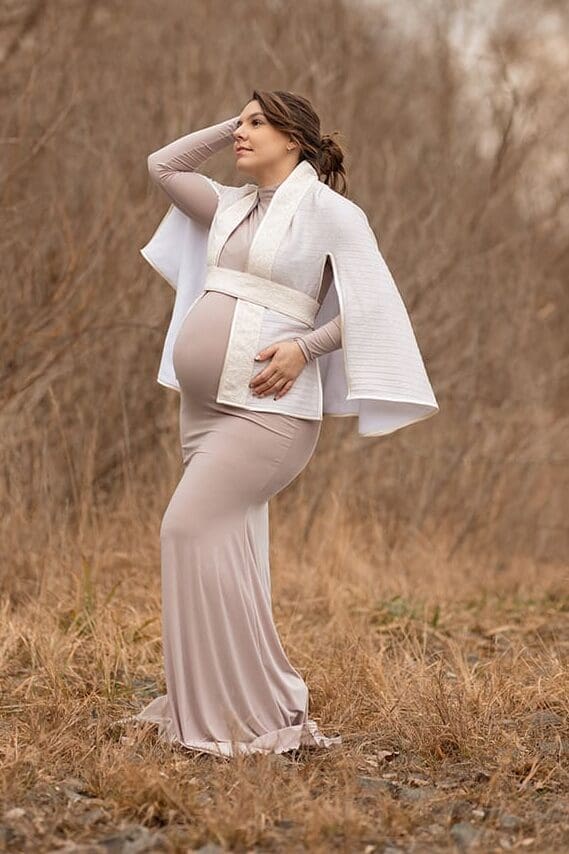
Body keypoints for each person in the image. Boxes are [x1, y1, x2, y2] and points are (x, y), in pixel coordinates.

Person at [133, 89, 439, 758]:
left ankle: (243, 703)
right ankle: (222, 704)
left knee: (184, 528)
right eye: (238, 123)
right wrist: (234, 123)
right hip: (203, 409)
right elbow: (163, 165)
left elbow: (375, 307)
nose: (240, 134)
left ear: (293, 139)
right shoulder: (229, 205)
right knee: (226, 552)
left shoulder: (332, 214)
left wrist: (306, 346)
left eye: (255, 124)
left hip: (268, 414)